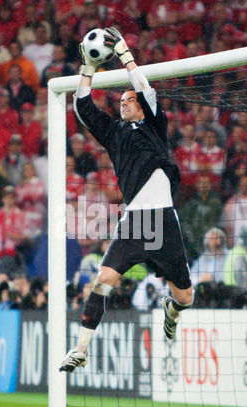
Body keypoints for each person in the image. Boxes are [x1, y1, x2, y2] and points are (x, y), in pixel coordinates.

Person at [59, 27, 193, 373]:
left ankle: (171, 310)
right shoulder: (114, 133)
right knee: (103, 278)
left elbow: (146, 89)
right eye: (120, 101)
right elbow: (83, 106)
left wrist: (124, 54)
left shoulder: (154, 126)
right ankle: (81, 348)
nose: (123, 103)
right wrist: (88, 67)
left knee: (185, 298)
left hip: (163, 220)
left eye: (128, 100)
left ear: (140, 106)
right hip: (135, 220)